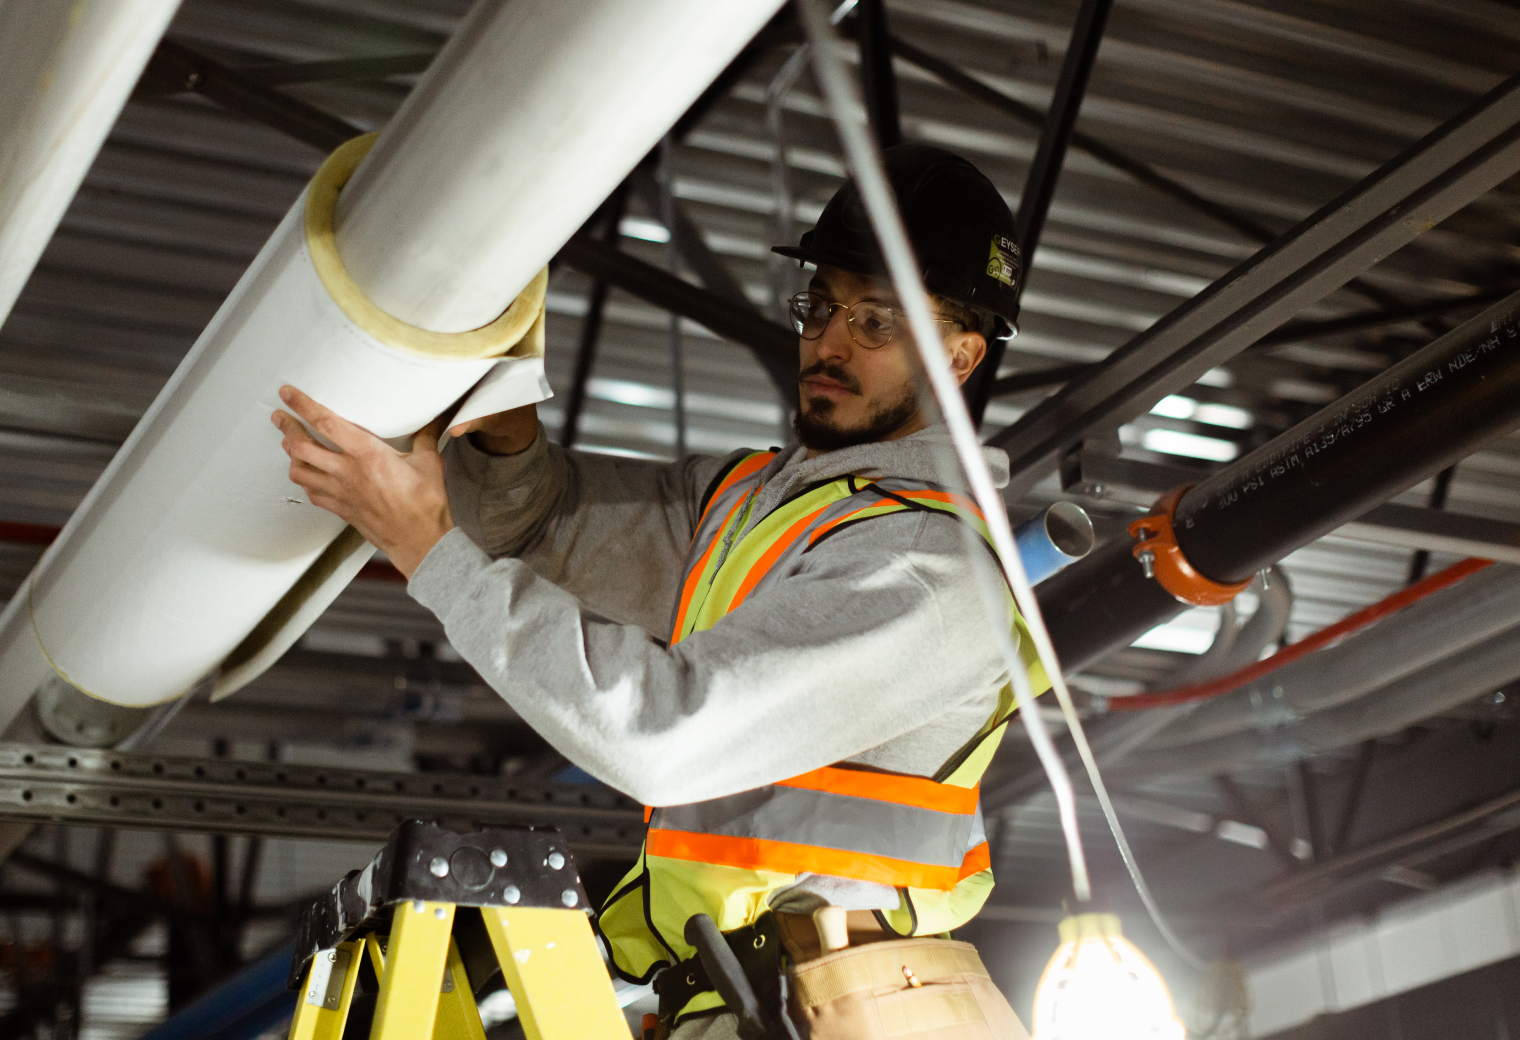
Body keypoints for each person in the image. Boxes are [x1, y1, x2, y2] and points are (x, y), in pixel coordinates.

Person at [272, 144, 1047, 1039]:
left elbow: (666, 736)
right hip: (746, 998)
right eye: (822, 305)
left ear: (959, 354)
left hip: (852, 1005)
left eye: (875, 322)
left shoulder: (925, 564)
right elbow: (544, 524)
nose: (829, 341)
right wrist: (499, 412)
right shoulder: (753, 502)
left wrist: (427, 548)